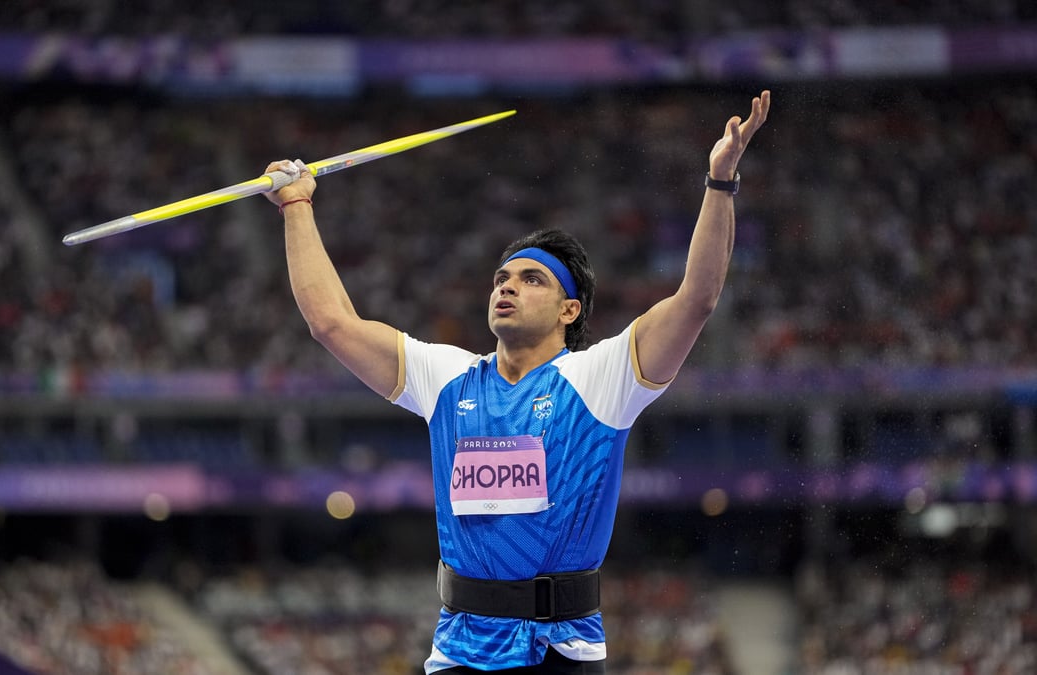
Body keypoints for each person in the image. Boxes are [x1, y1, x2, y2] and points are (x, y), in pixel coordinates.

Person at [263, 90, 771, 674]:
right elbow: (331, 324)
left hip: (564, 653)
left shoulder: (600, 378)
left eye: (532, 280)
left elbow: (697, 299)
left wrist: (720, 181)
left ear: (569, 311)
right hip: (461, 651)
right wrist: (296, 206)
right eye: (502, 277)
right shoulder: (447, 379)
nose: (506, 286)